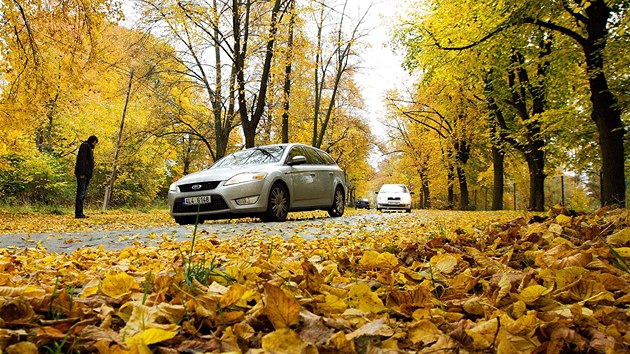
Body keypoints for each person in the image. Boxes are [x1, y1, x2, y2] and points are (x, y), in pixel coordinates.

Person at [75, 135, 98, 218]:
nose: (95, 145)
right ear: (94, 141)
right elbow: (82, 160)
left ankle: (80, 212)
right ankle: (78, 213)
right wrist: (82, 173)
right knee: (80, 194)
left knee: (82, 194)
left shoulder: (87, 147)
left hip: (86, 174)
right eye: (95, 143)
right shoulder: (85, 146)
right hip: (83, 174)